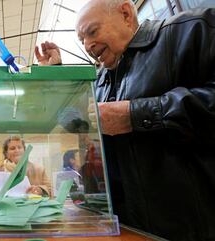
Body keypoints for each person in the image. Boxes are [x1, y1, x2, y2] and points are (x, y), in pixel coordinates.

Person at [35, 1, 215, 240]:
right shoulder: (101, 80)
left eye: (92, 32)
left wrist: (135, 115)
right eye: (82, 40)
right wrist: (56, 75)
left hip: (194, 227)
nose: (88, 45)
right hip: (130, 228)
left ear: (126, 14)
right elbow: (74, 122)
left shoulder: (192, 30)